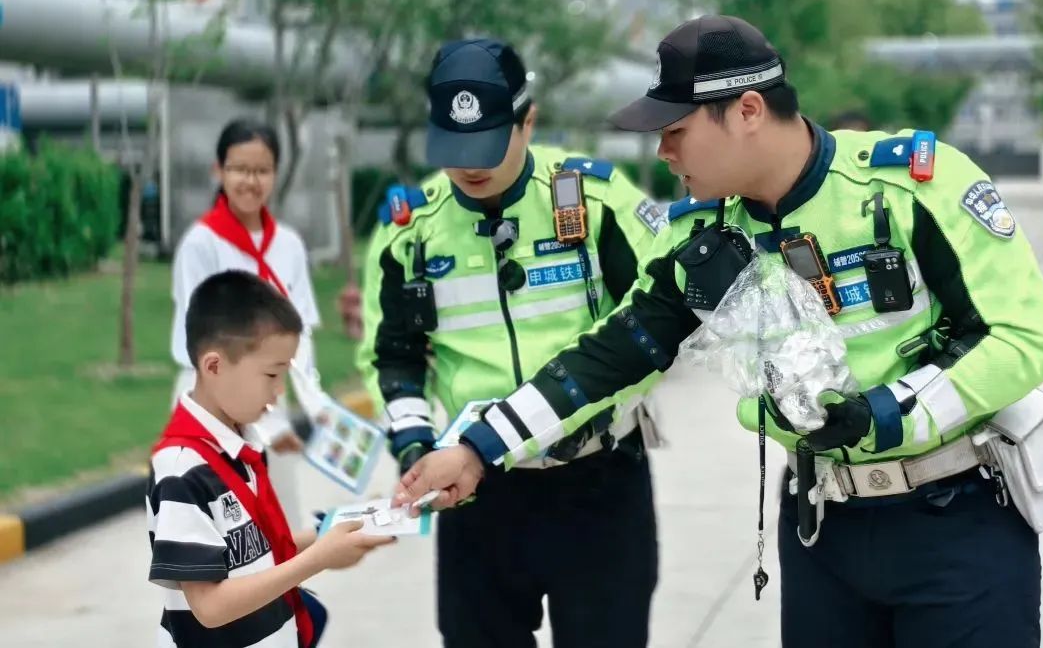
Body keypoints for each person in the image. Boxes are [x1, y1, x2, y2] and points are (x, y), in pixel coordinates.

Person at [396, 16, 1043, 648]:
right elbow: (610, 355)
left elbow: (1019, 336)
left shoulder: (912, 187)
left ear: (746, 111)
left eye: (676, 131)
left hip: (955, 519)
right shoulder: (705, 234)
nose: (662, 151)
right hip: (822, 530)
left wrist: (886, 415)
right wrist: (478, 448)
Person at [356, 37, 670, 648]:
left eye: (488, 145)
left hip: (597, 482)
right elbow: (394, 359)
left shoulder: (595, 202)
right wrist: (415, 447)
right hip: (479, 496)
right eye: (454, 149)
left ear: (528, 122)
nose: (470, 167)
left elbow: (655, 326)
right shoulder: (410, 234)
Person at [147, 270, 394, 648]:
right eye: (272, 375)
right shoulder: (181, 469)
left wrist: (335, 532)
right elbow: (210, 606)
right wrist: (318, 558)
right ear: (214, 367)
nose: (279, 392)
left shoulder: (239, 444)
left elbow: (257, 554)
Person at [169, 118, 322, 527]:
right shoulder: (200, 244)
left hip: (270, 398)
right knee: (216, 532)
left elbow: (301, 331)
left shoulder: (288, 245)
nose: (250, 181)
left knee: (283, 527)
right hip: (211, 403)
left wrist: (315, 403)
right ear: (218, 171)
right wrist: (266, 422)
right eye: (239, 169)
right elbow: (207, 343)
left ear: (275, 173)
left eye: (261, 170)